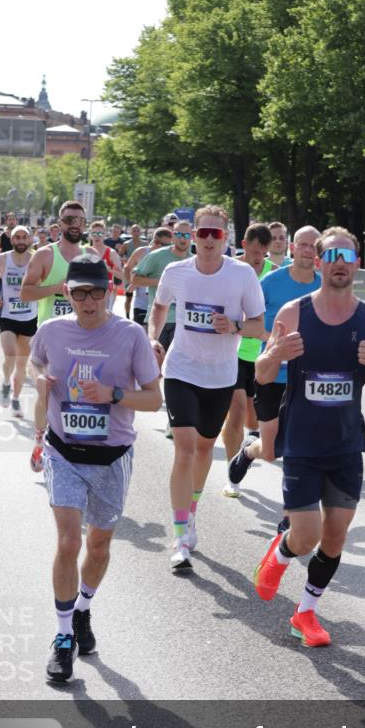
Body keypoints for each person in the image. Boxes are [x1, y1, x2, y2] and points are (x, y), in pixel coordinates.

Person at [252, 226, 365, 646]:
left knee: (334, 538)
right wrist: (275, 354)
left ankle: (306, 613)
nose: (339, 263)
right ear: (318, 263)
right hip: (301, 441)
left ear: (356, 265)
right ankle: (280, 554)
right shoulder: (294, 314)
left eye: (347, 256)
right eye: (331, 255)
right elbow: (262, 375)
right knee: (306, 535)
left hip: (347, 444)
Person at [29, 255, 162, 682]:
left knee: (99, 546)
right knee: (69, 542)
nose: (88, 300)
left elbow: (154, 400)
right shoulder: (51, 331)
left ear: (111, 292)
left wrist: (112, 393)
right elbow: (36, 362)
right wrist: (38, 379)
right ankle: (64, 636)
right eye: (79, 291)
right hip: (63, 451)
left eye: (96, 292)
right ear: (67, 292)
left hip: (112, 456)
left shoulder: (131, 335)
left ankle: (83, 609)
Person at [148, 204, 265, 572]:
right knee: (183, 450)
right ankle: (180, 534)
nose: (210, 239)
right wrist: (154, 338)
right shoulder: (175, 271)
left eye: (217, 234)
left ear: (226, 237)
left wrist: (232, 326)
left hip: (220, 376)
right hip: (181, 369)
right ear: (193, 235)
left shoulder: (242, 274)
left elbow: (259, 326)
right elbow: (159, 306)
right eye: (203, 233)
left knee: (202, 449)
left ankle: (192, 511)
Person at [228, 226, 321, 502]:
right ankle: (248, 450)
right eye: (302, 244)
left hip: (307, 378)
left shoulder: (324, 285)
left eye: (313, 246)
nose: (307, 250)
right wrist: (276, 343)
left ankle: (292, 510)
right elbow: (252, 323)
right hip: (272, 374)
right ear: (293, 248)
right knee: (270, 451)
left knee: (300, 442)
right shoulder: (270, 282)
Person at [21, 201, 96, 472]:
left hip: (83, 338)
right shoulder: (44, 255)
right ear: (59, 224)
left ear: (84, 224)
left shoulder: (91, 256)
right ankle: (40, 439)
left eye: (79, 220)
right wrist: (56, 288)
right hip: (49, 339)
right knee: (47, 391)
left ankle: (70, 449)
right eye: (68, 219)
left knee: (79, 397)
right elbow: (25, 292)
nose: (74, 224)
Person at [221, 222, 274, 497]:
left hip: (263, 356)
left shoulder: (273, 275)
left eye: (262, 253)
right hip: (235, 352)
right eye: (254, 251)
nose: (257, 259)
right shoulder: (229, 270)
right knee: (238, 410)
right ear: (244, 245)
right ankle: (233, 478)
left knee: (254, 417)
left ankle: (245, 452)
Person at [0, 225, 38, 418]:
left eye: (23, 237)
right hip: (7, 315)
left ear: (29, 240)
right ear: (12, 239)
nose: (20, 240)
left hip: (29, 316)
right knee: (10, 355)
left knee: (22, 363)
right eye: (16, 237)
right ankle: (6, 383)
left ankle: (16, 398)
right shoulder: (2, 258)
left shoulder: (36, 259)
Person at [132, 221, 193, 352]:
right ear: (173, 236)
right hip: (158, 320)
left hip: (182, 322)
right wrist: (162, 282)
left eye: (187, 235)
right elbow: (135, 279)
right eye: (179, 234)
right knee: (156, 365)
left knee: (176, 368)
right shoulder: (157, 256)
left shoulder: (194, 261)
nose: (183, 239)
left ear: (192, 237)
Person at [123, 227, 173, 326]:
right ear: (155, 242)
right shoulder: (141, 252)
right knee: (141, 336)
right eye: (166, 245)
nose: (169, 248)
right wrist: (130, 283)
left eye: (171, 245)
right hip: (142, 304)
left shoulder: (171, 256)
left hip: (163, 306)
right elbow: (127, 268)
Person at [88, 220, 123, 308]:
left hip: (105, 294)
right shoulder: (85, 251)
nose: (97, 236)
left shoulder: (111, 252)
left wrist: (109, 269)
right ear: (90, 235)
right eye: (94, 233)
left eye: (100, 234)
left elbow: (123, 276)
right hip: (87, 293)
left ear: (105, 235)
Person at [119, 224, 145, 318]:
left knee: (142, 296)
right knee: (128, 297)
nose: (136, 233)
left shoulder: (145, 244)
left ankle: (140, 315)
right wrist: (126, 261)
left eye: (137, 231)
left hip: (142, 273)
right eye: (134, 231)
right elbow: (120, 256)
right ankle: (127, 316)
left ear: (140, 232)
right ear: (131, 232)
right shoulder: (126, 244)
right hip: (129, 272)